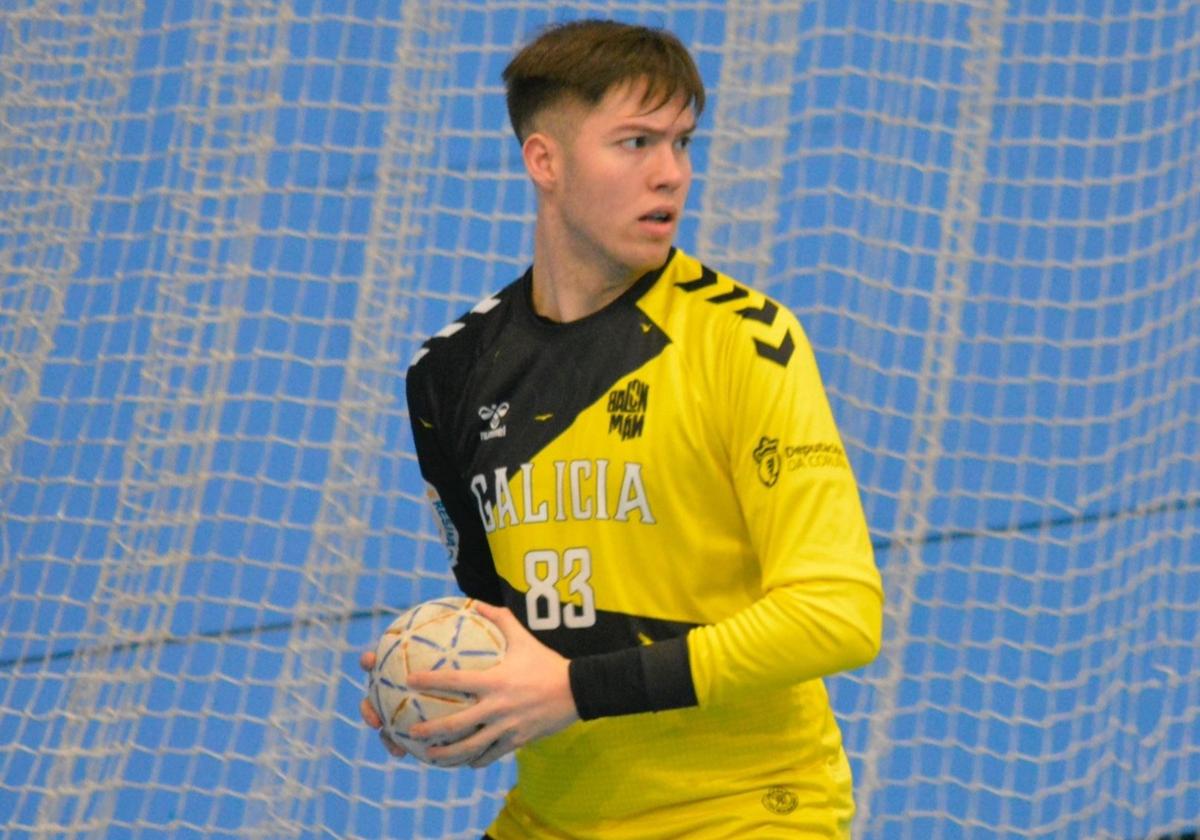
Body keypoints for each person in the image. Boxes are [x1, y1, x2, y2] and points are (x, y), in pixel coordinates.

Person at [359, 18, 884, 839]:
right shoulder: (448, 375)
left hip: (744, 811)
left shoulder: (745, 342)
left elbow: (837, 614)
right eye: (635, 142)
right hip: (557, 814)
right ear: (546, 161)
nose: (670, 174)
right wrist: (451, 691)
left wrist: (573, 692)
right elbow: (508, 623)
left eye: (681, 142)